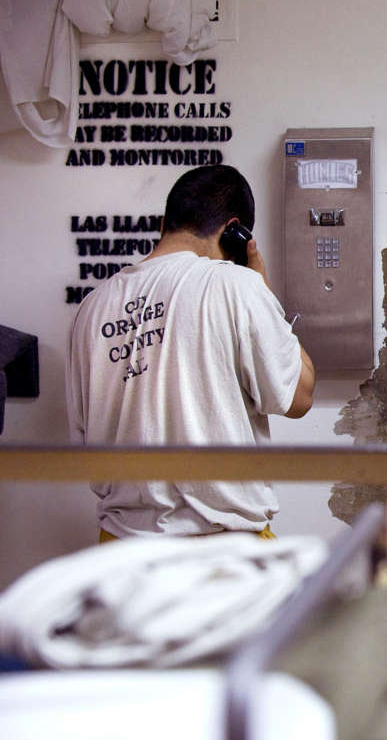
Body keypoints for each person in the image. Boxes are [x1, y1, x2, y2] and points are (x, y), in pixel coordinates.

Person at [66, 164, 315, 539]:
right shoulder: (238, 286)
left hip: (121, 550)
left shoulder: (92, 308)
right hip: (223, 551)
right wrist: (262, 287)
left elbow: (84, 437)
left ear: (165, 222)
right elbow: (298, 397)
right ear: (235, 231)